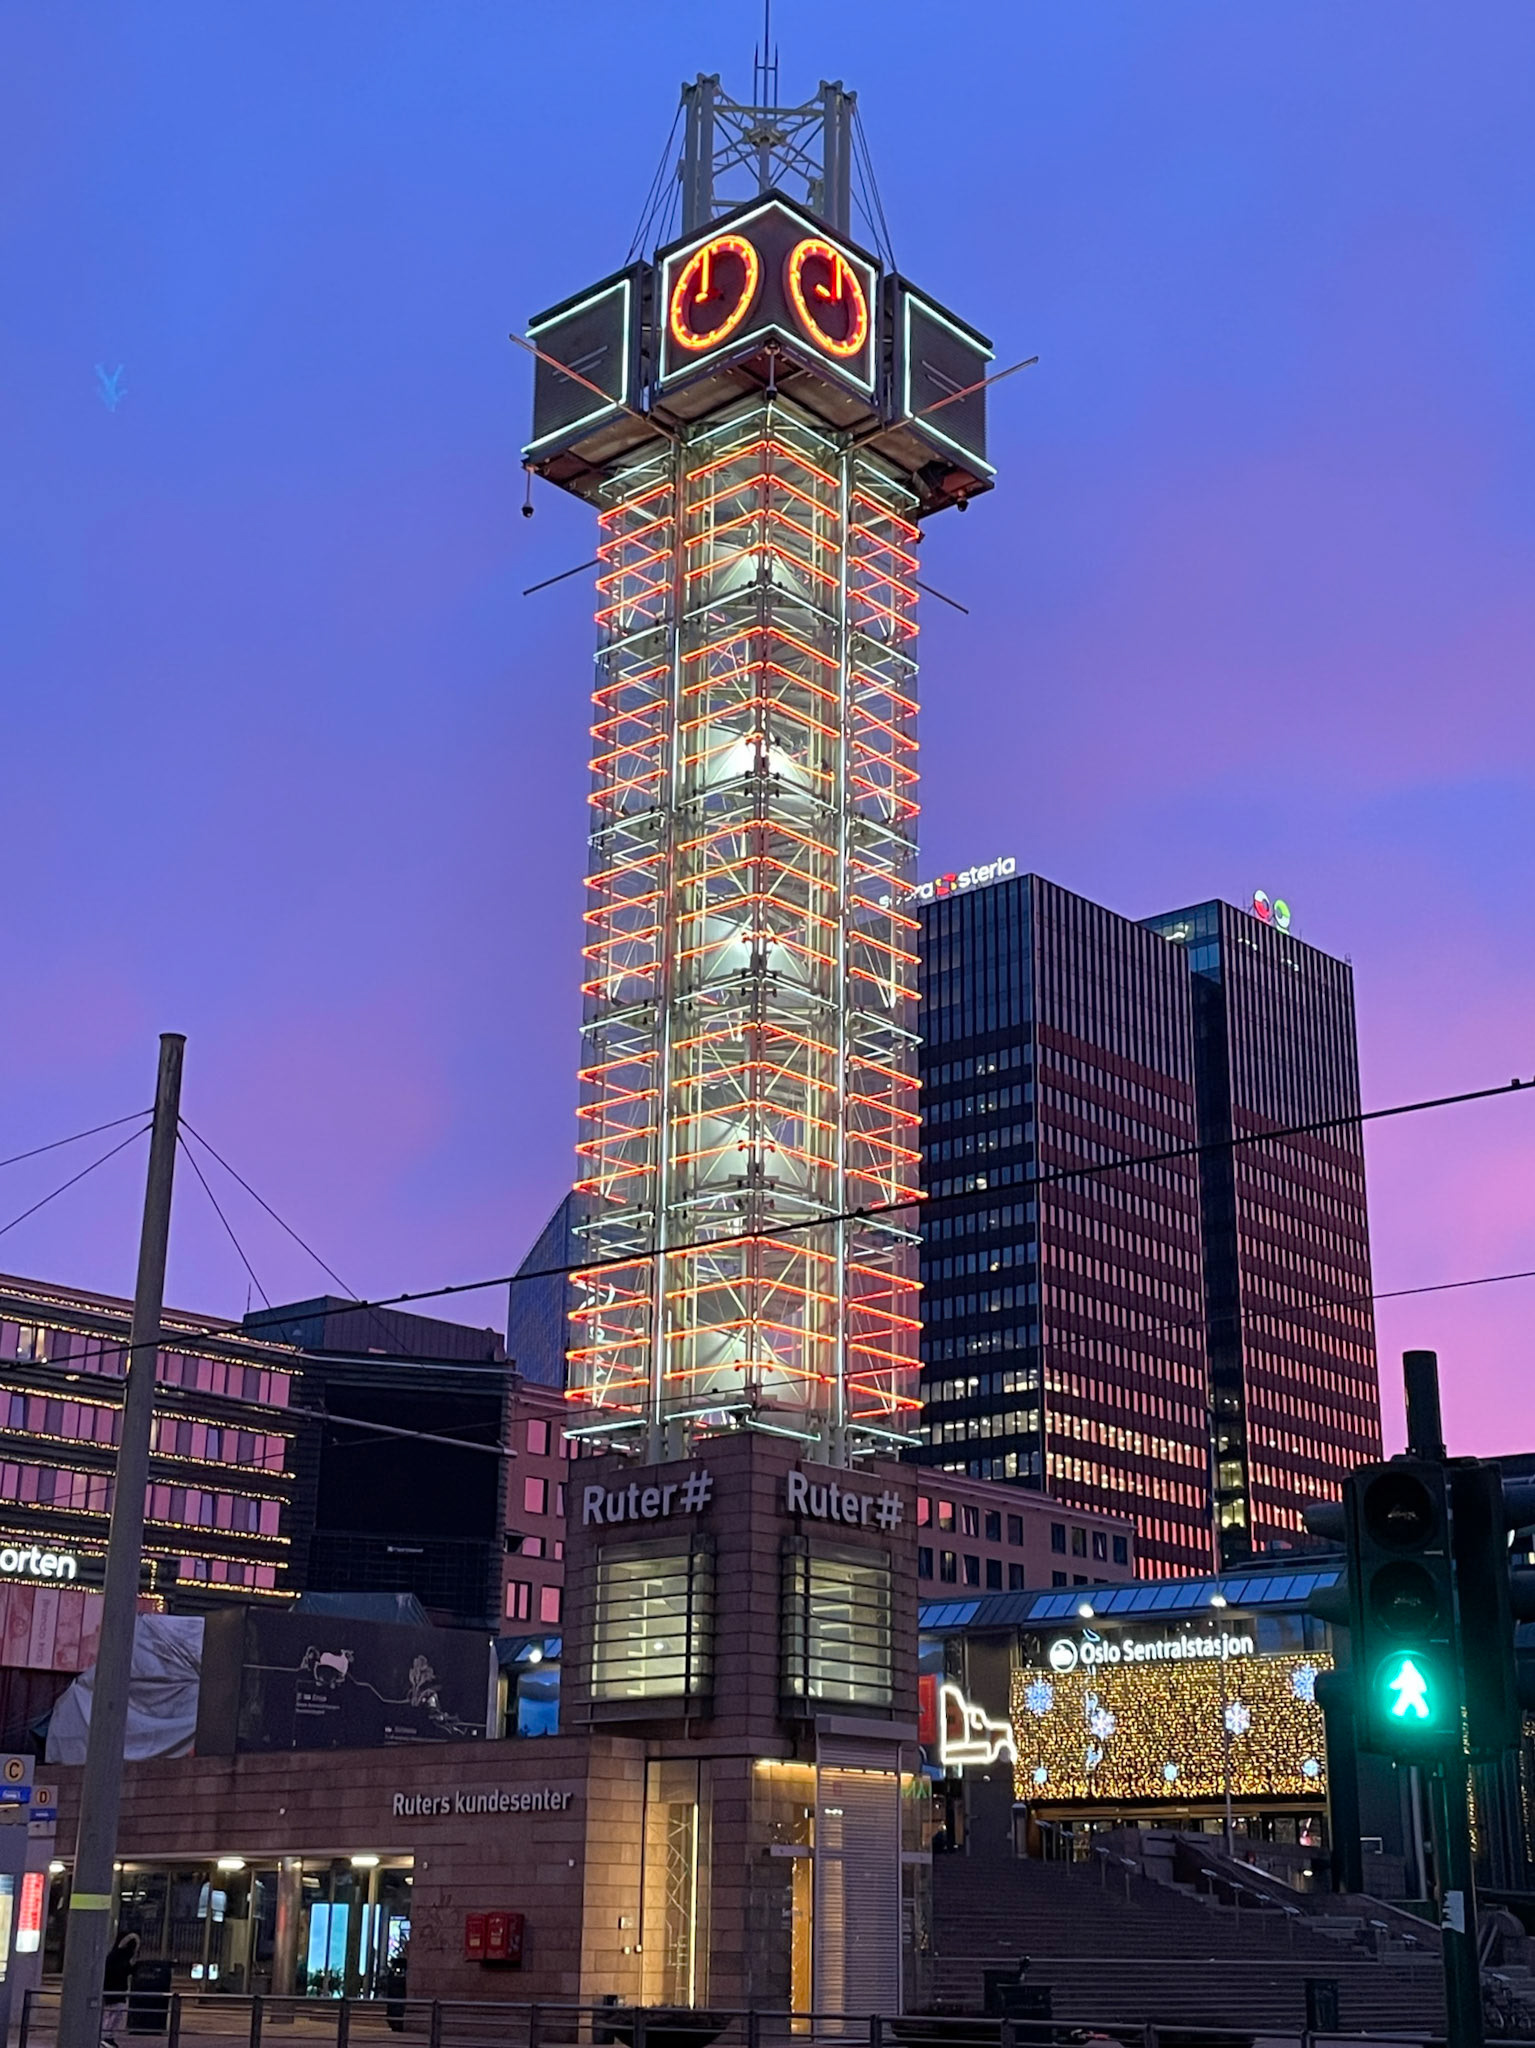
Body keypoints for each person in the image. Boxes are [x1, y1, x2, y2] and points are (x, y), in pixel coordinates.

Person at [102, 1930, 140, 2042]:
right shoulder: (117, 1956)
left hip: (118, 1990)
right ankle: (105, 2036)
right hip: (113, 1989)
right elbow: (118, 1971)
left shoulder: (120, 1956)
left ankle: (108, 2036)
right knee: (111, 2014)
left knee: (116, 2014)